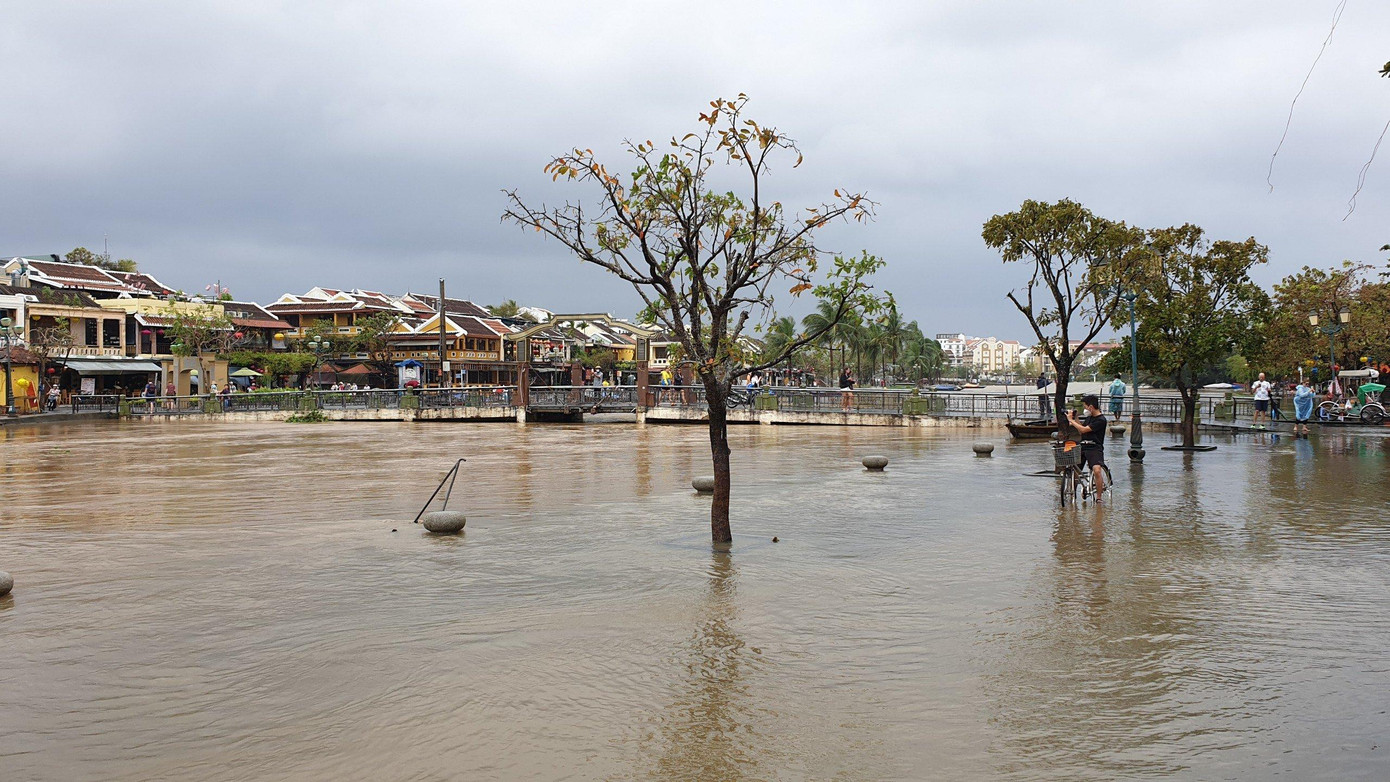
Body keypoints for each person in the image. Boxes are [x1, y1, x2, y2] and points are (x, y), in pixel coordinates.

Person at [1066, 394, 1108, 497]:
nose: (1084, 408)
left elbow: (1083, 429)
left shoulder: (1101, 420)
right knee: (1075, 469)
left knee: (1097, 470)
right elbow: (1082, 430)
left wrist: (1071, 421)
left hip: (1095, 447)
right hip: (1083, 446)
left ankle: (1099, 497)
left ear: (1091, 407)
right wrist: (1075, 418)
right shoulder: (1089, 418)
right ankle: (1072, 493)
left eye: (1085, 406)